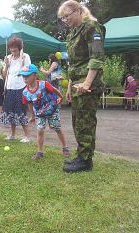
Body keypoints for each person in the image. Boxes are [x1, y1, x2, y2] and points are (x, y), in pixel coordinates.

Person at [58, 0, 105, 172]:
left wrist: (87, 82)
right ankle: (81, 156)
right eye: (62, 18)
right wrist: (70, 86)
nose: (65, 20)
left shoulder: (91, 26)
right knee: (77, 121)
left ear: (78, 11)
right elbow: (74, 64)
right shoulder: (73, 33)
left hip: (88, 84)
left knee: (86, 121)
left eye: (67, 16)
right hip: (77, 83)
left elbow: (97, 57)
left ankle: (85, 160)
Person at [21, 64, 69, 160]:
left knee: (57, 128)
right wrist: (33, 116)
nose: (25, 78)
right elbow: (30, 104)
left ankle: (65, 147)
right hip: (39, 113)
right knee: (40, 130)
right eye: (23, 76)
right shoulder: (25, 92)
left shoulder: (44, 84)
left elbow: (54, 90)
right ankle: (40, 152)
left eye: (27, 76)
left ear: (34, 75)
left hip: (52, 110)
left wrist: (61, 97)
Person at [1, 36, 31, 143]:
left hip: (21, 87)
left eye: (15, 47)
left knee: (21, 111)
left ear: (19, 47)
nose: (13, 50)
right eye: (11, 48)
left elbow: (28, 72)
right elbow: (4, 75)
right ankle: (12, 134)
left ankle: (27, 136)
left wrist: (22, 63)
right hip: (9, 87)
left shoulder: (25, 56)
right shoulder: (8, 57)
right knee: (10, 112)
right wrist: (7, 65)